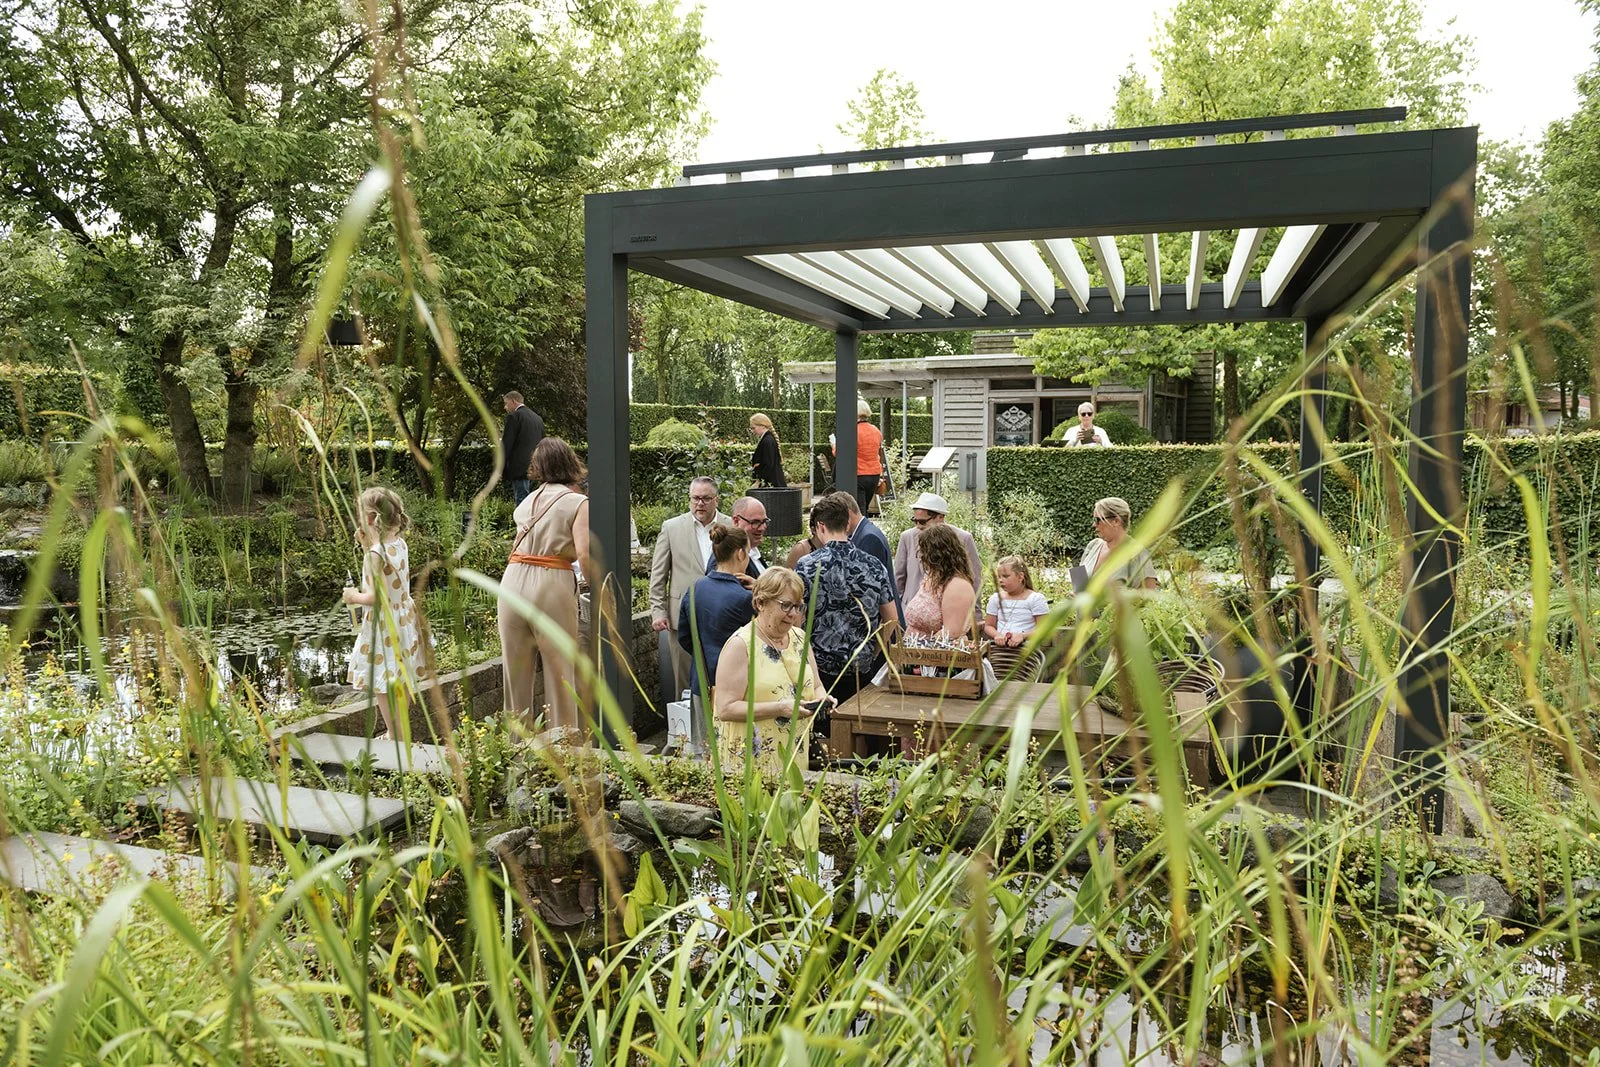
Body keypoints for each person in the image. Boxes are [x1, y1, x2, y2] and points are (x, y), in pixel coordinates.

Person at [499, 437, 590, 734]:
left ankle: (515, 751)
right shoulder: (577, 502)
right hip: (551, 580)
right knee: (561, 673)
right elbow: (585, 554)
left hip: (512, 582)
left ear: (537, 466)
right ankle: (563, 752)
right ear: (570, 462)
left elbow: (516, 547)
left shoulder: (525, 503)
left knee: (515, 676)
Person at [715, 567, 833, 778]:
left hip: (795, 754)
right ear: (760, 603)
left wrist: (822, 700)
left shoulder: (799, 638)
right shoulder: (740, 645)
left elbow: (815, 684)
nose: (793, 614)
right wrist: (780, 708)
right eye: (786, 605)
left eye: (798, 606)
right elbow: (726, 709)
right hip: (753, 760)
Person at [794, 494, 899, 706]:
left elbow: (796, 620)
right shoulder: (874, 565)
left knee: (820, 731)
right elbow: (892, 620)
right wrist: (872, 652)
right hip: (860, 668)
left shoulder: (807, 565)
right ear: (847, 523)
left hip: (819, 670)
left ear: (820, 525)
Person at [343, 486, 426, 740]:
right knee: (400, 678)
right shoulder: (399, 544)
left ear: (369, 519)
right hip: (404, 618)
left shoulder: (374, 555)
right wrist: (368, 544)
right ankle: (400, 731)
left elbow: (376, 597)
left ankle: (394, 735)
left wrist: (353, 597)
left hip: (384, 624)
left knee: (382, 683)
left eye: (360, 515)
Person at [678, 524, 756, 757]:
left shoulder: (694, 589)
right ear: (740, 553)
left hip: (700, 680)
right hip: (738, 689)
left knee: (703, 751)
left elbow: (684, 636)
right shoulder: (745, 599)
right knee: (734, 753)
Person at [650, 477, 730, 699]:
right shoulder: (671, 528)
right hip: (682, 616)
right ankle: (685, 733)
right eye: (695, 498)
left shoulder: (730, 526)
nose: (700, 504)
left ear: (716, 500)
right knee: (684, 682)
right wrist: (658, 611)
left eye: (705, 498)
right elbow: (658, 575)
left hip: (721, 614)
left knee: (722, 676)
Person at [893, 492, 982, 607]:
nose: (918, 525)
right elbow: (899, 577)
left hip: (948, 609)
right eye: (915, 520)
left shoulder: (963, 538)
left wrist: (976, 615)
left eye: (922, 522)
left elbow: (974, 578)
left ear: (940, 517)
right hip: (911, 609)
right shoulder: (907, 537)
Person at [826, 490, 901, 623]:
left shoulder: (868, 538)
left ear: (847, 514)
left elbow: (867, 588)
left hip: (878, 627)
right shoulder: (865, 532)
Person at [903, 524, 978, 640]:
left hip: (934, 655)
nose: (921, 556)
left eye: (925, 551)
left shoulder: (958, 586)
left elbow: (951, 633)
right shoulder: (932, 577)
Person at [1082, 497, 1158, 590]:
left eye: (1098, 520)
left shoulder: (1138, 553)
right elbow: (1077, 584)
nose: (1094, 525)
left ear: (1116, 521)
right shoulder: (1092, 545)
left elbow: (1149, 593)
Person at [831, 399, 885, 514]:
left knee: (859, 511)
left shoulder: (852, 431)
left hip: (859, 474)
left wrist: (834, 444)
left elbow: (838, 453)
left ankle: (862, 531)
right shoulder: (876, 431)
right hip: (874, 474)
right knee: (865, 508)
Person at [983, 555, 1050, 647]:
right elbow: (989, 626)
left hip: (1026, 652)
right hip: (1000, 651)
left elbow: (1044, 628)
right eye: (999, 576)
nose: (1000, 580)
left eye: (1006, 576)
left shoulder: (1035, 599)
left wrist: (1022, 636)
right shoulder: (996, 598)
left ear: (1020, 577)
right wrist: (997, 635)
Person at [705, 496, 769, 583]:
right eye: (755, 522)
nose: (762, 528)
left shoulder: (753, 549)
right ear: (736, 521)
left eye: (764, 521)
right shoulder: (724, 558)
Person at [501, 391, 546, 503]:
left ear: (513, 401)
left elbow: (507, 444)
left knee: (521, 500)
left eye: (506, 403)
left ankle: (522, 521)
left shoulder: (514, 417)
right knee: (533, 502)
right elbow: (543, 443)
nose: (505, 407)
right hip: (536, 467)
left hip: (519, 468)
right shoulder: (538, 419)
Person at [748, 413, 785, 488]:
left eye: (753, 428)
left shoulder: (767, 441)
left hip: (771, 486)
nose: (752, 431)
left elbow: (768, 464)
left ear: (762, 426)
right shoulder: (768, 439)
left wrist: (759, 480)